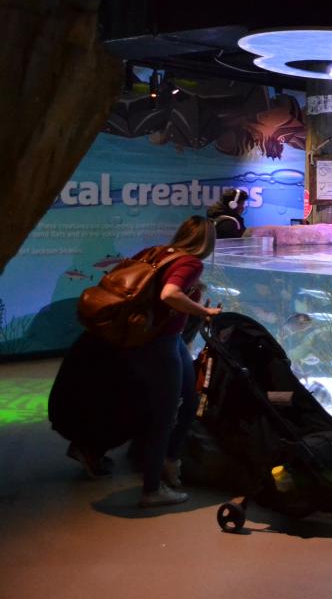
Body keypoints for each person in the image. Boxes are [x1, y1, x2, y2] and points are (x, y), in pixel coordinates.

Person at [126, 216, 222, 507]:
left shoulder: (158, 253)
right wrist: (203, 312)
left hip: (161, 337)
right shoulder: (191, 263)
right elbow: (169, 294)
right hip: (161, 341)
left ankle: (170, 459)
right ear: (208, 242)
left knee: (190, 400)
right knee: (165, 415)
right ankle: (152, 490)